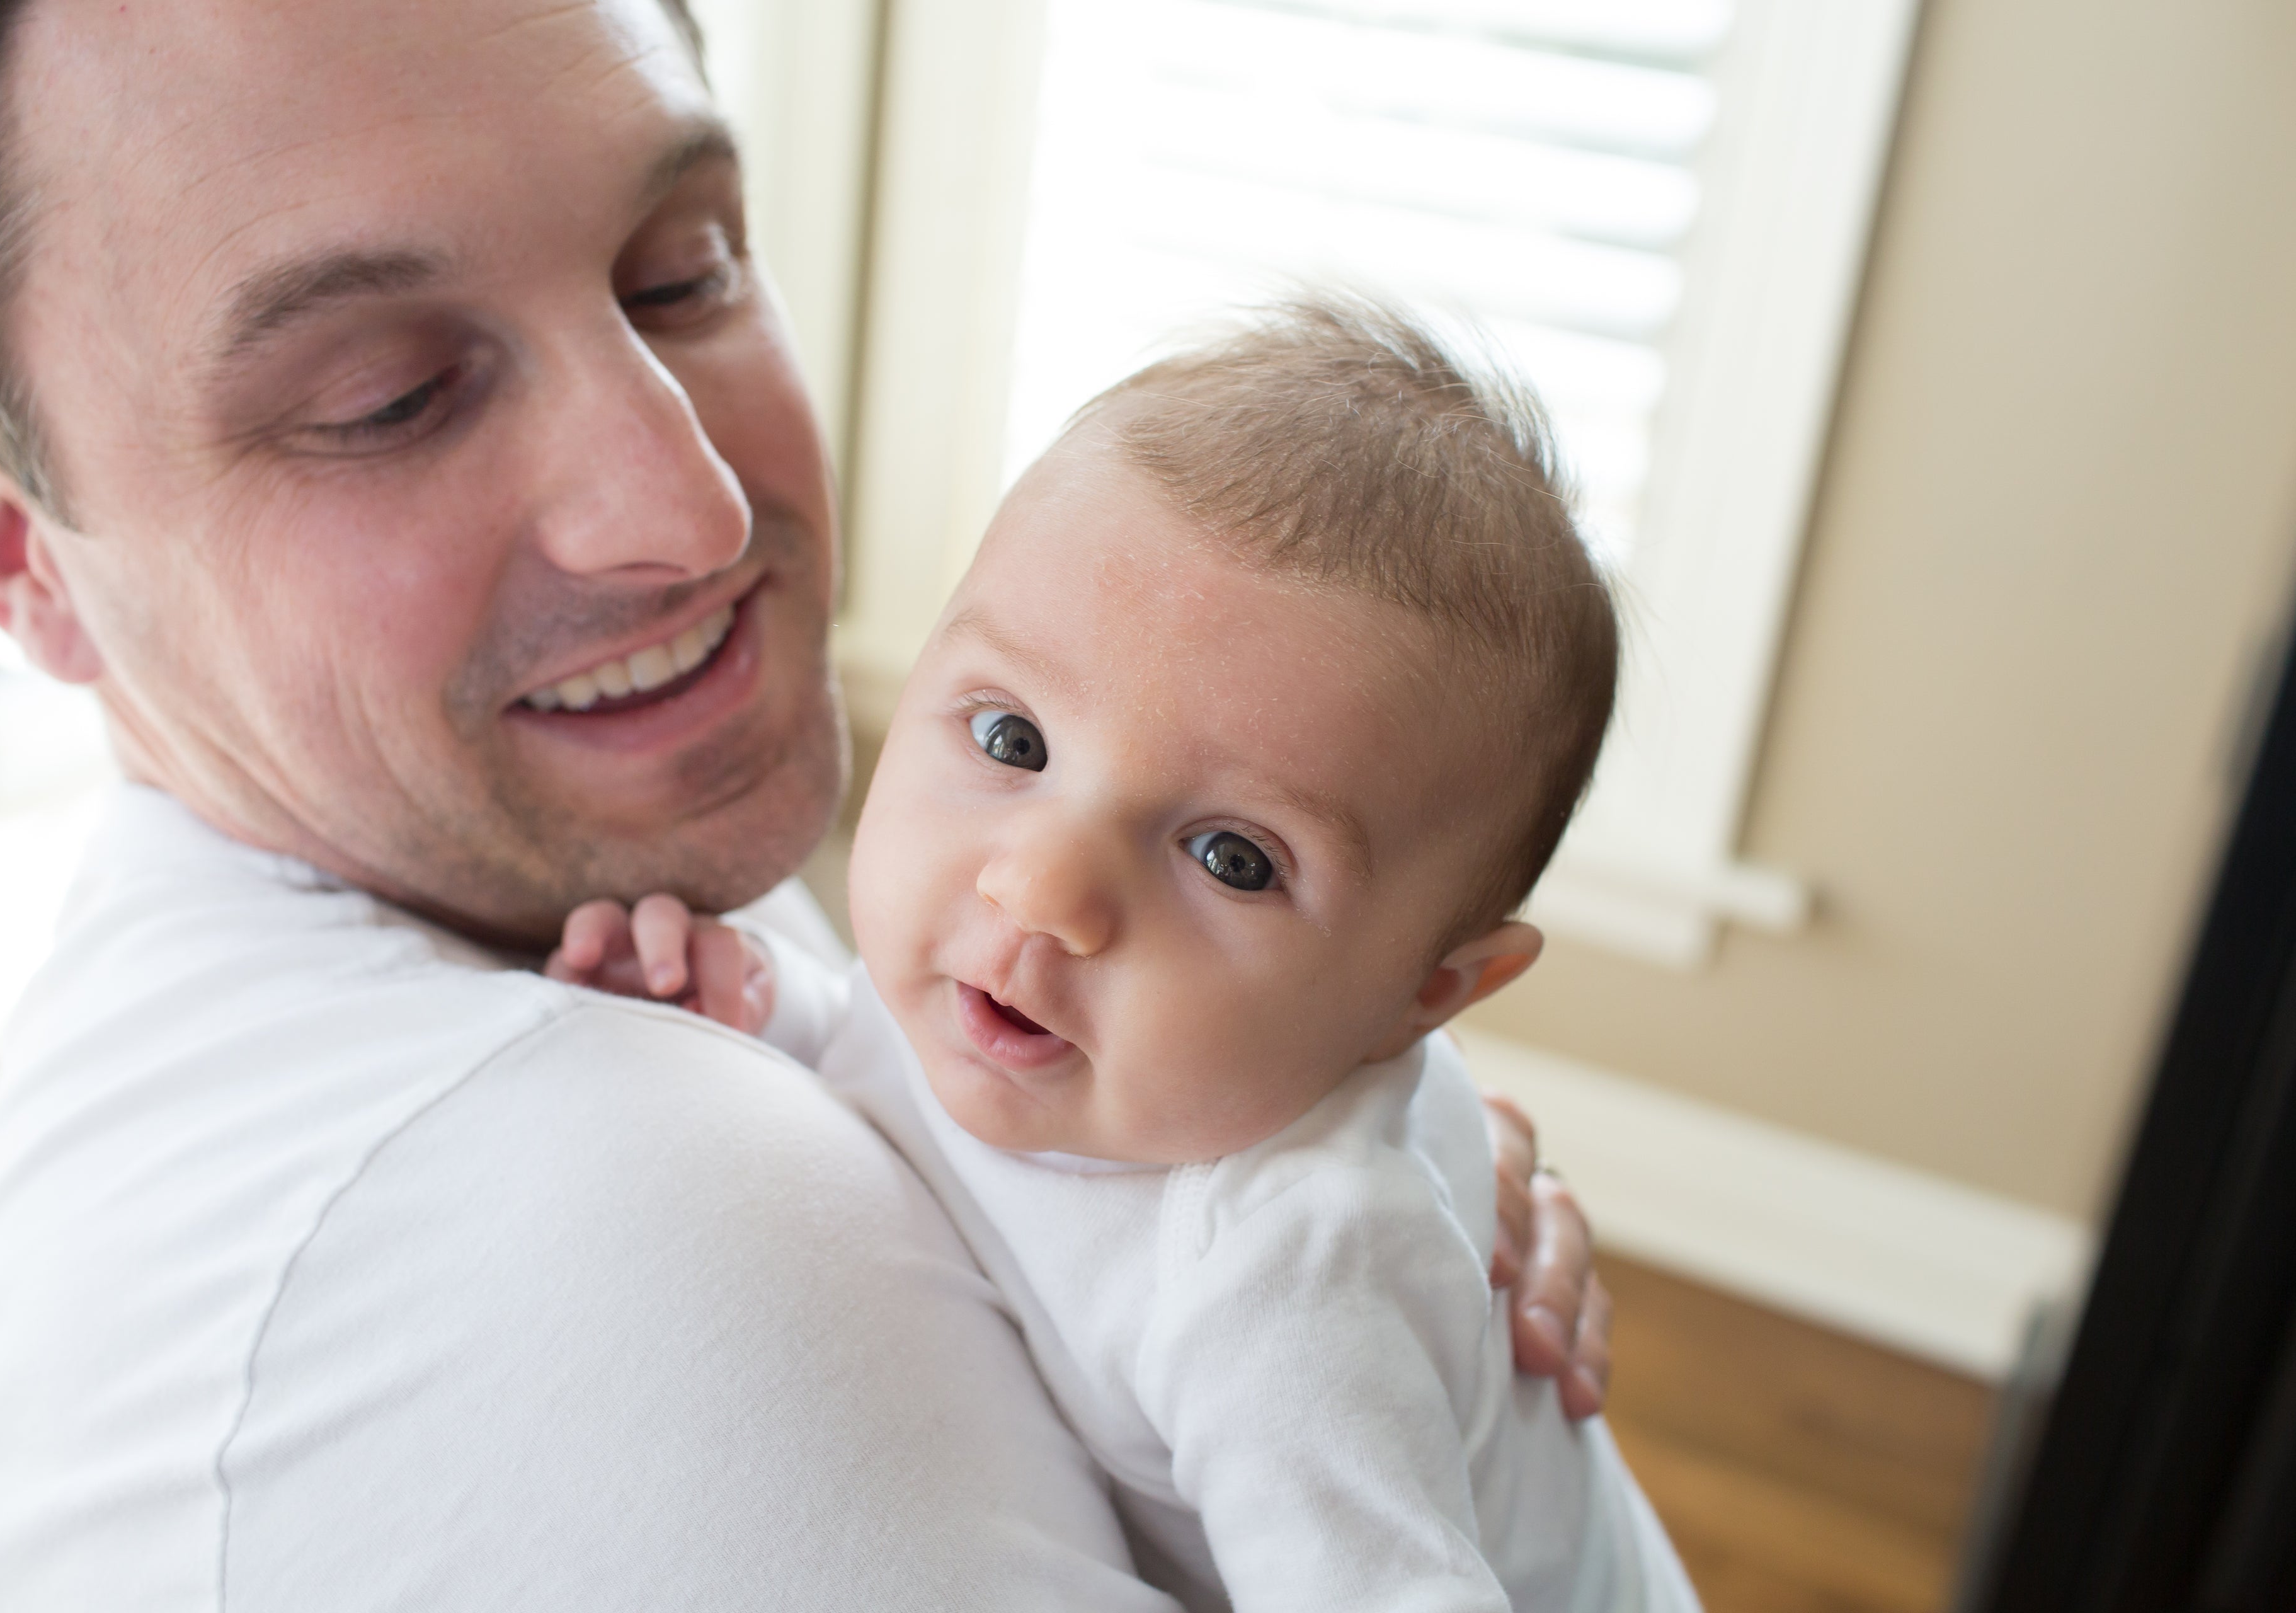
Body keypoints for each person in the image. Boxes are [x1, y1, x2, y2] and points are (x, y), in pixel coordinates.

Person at [0, 0, 1613, 1607]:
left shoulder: (555, 865)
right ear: (19, 551)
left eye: (681, 274)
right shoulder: (639, 1228)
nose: (690, 511)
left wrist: (1391, 1137)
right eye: (387, 398)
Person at [553, 299, 1701, 1612]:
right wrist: (750, 1010)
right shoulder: (1048, 1014)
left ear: (1425, 995)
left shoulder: (1281, 1286)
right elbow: (897, 1081)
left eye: (1232, 859)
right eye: (1013, 740)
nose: (1041, 888)